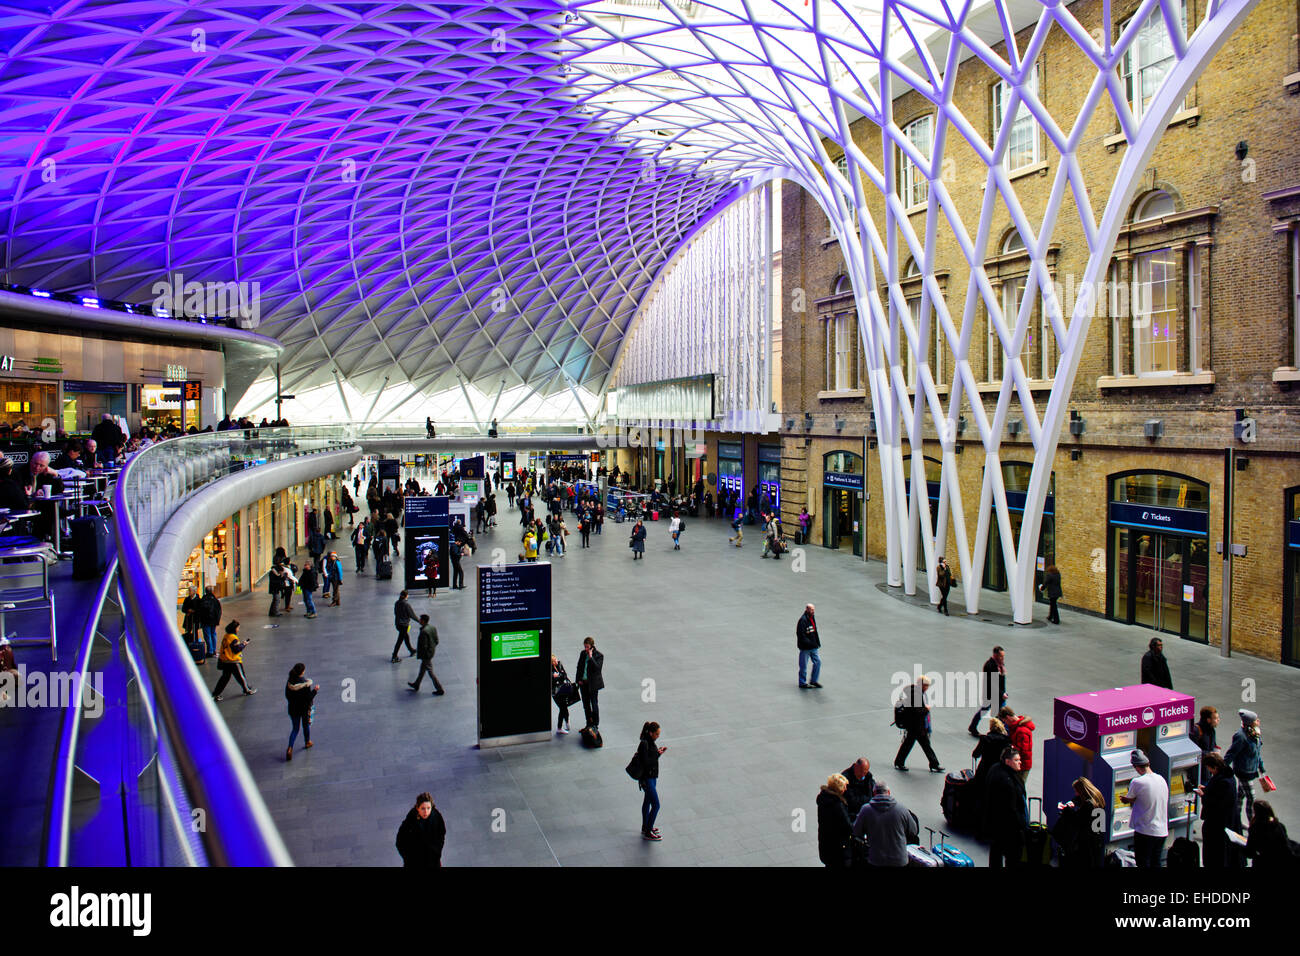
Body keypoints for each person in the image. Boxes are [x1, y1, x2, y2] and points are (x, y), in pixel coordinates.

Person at [851, 782, 919, 867]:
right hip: (899, 860)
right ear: (889, 792)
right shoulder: (902, 809)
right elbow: (913, 831)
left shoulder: (866, 810)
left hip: (876, 860)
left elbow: (856, 832)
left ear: (874, 793)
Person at [1120, 749, 1169, 868]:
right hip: (1161, 830)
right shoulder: (1161, 779)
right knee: (1156, 862)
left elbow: (1130, 798)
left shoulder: (1137, 782)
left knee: (1143, 862)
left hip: (1145, 830)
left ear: (1136, 767)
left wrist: (1125, 799)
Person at [1196, 752, 1243, 868]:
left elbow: (1217, 803)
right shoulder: (1228, 777)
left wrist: (1203, 795)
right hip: (1228, 822)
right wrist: (1207, 790)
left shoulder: (1223, 781)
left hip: (1219, 825)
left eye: (1210, 769)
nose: (1210, 772)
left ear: (1215, 767)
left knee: (1217, 856)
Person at [985, 747, 1028, 867]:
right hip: (1009, 828)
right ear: (1008, 761)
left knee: (996, 853)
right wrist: (1022, 825)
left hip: (995, 823)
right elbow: (1012, 808)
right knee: (1013, 857)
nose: (1020, 762)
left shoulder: (995, 769)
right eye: (1016, 760)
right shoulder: (1008, 781)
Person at [1052, 778, 1106, 868]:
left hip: (1088, 842)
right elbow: (1078, 800)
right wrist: (1073, 802)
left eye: (1076, 791)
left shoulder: (1088, 805)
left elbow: (1077, 820)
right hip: (1098, 838)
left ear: (1081, 791)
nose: (1075, 793)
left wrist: (1067, 810)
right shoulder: (1097, 797)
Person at [894, 675, 944, 773]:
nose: (927, 687)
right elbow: (916, 711)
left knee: (911, 744)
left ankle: (899, 762)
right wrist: (926, 709)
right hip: (916, 726)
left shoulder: (915, 693)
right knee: (922, 745)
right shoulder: (916, 695)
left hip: (915, 725)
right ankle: (934, 764)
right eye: (926, 685)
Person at [1224, 709, 1266, 822]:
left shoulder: (1255, 734)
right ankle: (1252, 822)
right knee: (1251, 797)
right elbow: (1231, 753)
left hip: (1251, 770)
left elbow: (1257, 753)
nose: (1258, 721)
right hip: (1243, 771)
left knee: (1240, 796)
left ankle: (1234, 818)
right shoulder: (1241, 736)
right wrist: (1222, 767)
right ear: (1250, 722)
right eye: (1256, 720)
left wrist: (1262, 769)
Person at [632, 721, 666, 841]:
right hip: (647, 778)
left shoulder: (649, 742)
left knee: (647, 802)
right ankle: (648, 830)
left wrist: (658, 753)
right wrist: (657, 754)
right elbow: (647, 763)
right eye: (657, 734)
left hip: (651, 777)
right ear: (651, 733)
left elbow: (650, 759)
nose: (658, 736)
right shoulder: (645, 744)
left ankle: (645, 826)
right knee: (656, 805)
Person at [396, 792, 446, 867]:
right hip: (414, 862)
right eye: (423, 808)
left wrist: (436, 852)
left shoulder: (436, 817)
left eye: (428, 808)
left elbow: (441, 835)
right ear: (417, 808)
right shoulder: (411, 819)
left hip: (432, 861)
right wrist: (408, 858)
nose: (426, 812)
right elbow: (400, 840)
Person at [967, 645, 1007, 737]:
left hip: (999, 694)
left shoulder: (1000, 664)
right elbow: (992, 683)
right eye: (1001, 656)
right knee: (993, 712)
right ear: (995, 655)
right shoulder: (990, 666)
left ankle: (997, 730)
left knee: (998, 712)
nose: (1003, 658)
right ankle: (998, 731)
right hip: (992, 694)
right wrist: (1002, 693)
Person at [817, 774, 854, 867]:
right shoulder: (837, 804)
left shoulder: (823, 799)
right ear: (839, 788)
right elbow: (848, 826)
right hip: (839, 850)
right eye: (844, 786)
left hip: (826, 845)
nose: (846, 789)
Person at [212, 621, 256, 700]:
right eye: (238, 628)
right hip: (233, 661)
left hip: (225, 660)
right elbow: (236, 649)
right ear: (234, 629)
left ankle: (216, 693)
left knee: (224, 678)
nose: (238, 629)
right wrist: (244, 644)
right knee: (240, 676)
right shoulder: (233, 638)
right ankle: (247, 690)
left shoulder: (226, 636)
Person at [284, 663, 319, 761]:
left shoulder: (290, 682)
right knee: (305, 726)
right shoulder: (305, 684)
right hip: (303, 709)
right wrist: (315, 690)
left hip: (293, 709)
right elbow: (308, 698)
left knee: (295, 729)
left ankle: (290, 748)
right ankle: (307, 742)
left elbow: (287, 695)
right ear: (302, 672)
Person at [1244, 801, 1293, 868]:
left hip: (1264, 863)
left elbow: (1249, 853)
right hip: (1280, 861)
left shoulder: (1255, 828)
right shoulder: (1279, 825)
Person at [408, 614, 445, 695]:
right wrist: (432, 648)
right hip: (431, 652)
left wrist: (424, 654)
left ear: (423, 621)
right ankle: (416, 684)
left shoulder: (424, 632)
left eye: (420, 620)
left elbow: (423, 646)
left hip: (426, 655)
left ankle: (439, 688)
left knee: (430, 671)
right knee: (422, 670)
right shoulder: (432, 628)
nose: (419, 621)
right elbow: (436, 640)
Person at [575, 636, 603, 729]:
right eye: (585, 647)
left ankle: (595, 724)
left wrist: (591, 657)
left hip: (593, 685)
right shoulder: (583, 654)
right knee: (586, 705)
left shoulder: (599, 655)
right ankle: (588, 723)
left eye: (587, 647)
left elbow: (597, 668)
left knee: (594, 703)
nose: (586, 649)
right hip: (584, 683)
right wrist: (578, 680)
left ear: (591, 646)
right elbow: (579, 667)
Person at [796, 603, 821, 689]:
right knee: (803, 665)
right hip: (805, 648)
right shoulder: (803, 620)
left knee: (818, 662)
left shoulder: (811, 618)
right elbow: (801, 635)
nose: (813, 611)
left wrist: (817, 642)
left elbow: (814, 631)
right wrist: (811, 643)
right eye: (811, 610)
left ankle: (814, 681)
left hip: (813, 646)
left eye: (814, 610)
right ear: (807, 609)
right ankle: (802, 683)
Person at [391, 590, 417, 663]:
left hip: (398, 624)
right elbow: (412, 615)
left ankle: (411, 650)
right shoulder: (406, 604)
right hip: (404, 625)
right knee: (400, 640)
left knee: (406, 637)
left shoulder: (397, 603)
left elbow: (395, 613)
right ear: (406, 596)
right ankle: (394, 656)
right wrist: (419, 621)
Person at [197, 585, 222, 658]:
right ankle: (213, 650)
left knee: (207, 635)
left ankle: (210, 651)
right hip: (213, 621)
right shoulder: (215, 599)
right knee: (213, 634)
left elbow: (201, 610)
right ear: (212, 591)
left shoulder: (204, 599)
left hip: (206, 621)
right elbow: (219, 611)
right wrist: (217, 620)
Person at [551, 655, 573, 734]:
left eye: (556, 660)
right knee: (563, 708)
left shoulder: (559, 665)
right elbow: (552, 680)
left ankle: (566, 722)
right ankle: (560, 727)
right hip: (556, 692)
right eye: (554, 661)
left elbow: (564, 675)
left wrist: (558, 676)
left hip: (563, 689)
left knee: (564, 707)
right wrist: (557, 676)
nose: (556, 661)